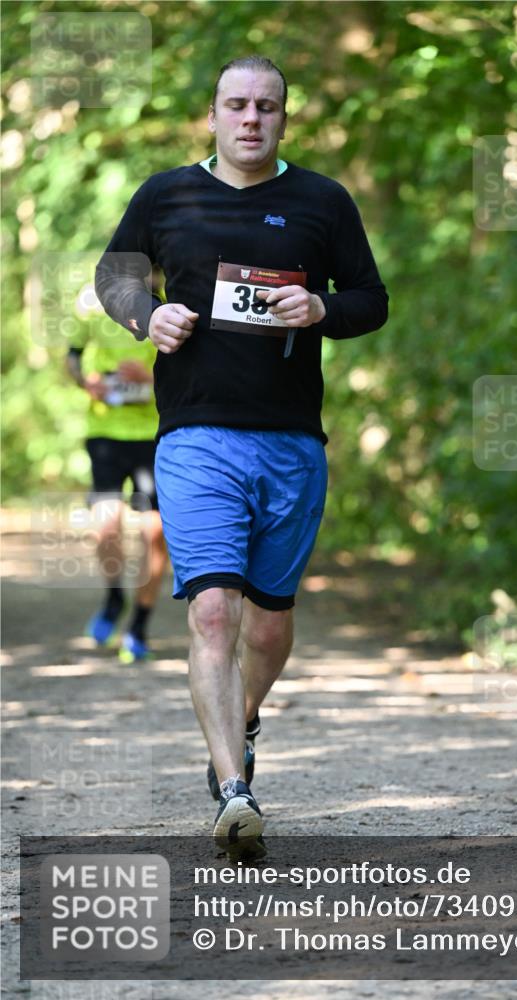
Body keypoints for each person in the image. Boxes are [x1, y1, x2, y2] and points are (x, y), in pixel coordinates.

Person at [95, 55, 388, 861]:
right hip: (195, 436)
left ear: (284, 119)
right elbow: (115, 276)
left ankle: (243, 718)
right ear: (214, 115)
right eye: (236, 104)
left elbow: (372, 300)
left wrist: (323, 305)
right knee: (214, 611)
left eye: (266, 106)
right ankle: (234, 790)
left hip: (292, 442)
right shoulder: (166, 194)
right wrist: (145, 318)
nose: (250, 118)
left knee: (269, 623)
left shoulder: (322, 201)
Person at [67, 280, 169, 662]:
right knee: (106, 525)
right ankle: (114, 599)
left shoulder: (175, 294)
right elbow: (72, 356)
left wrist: (152, 380)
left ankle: (139, 625)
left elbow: (198, 368)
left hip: (156, 432)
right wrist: (85, 382)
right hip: (106, 432)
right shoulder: (90, 298)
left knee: (154, 532)